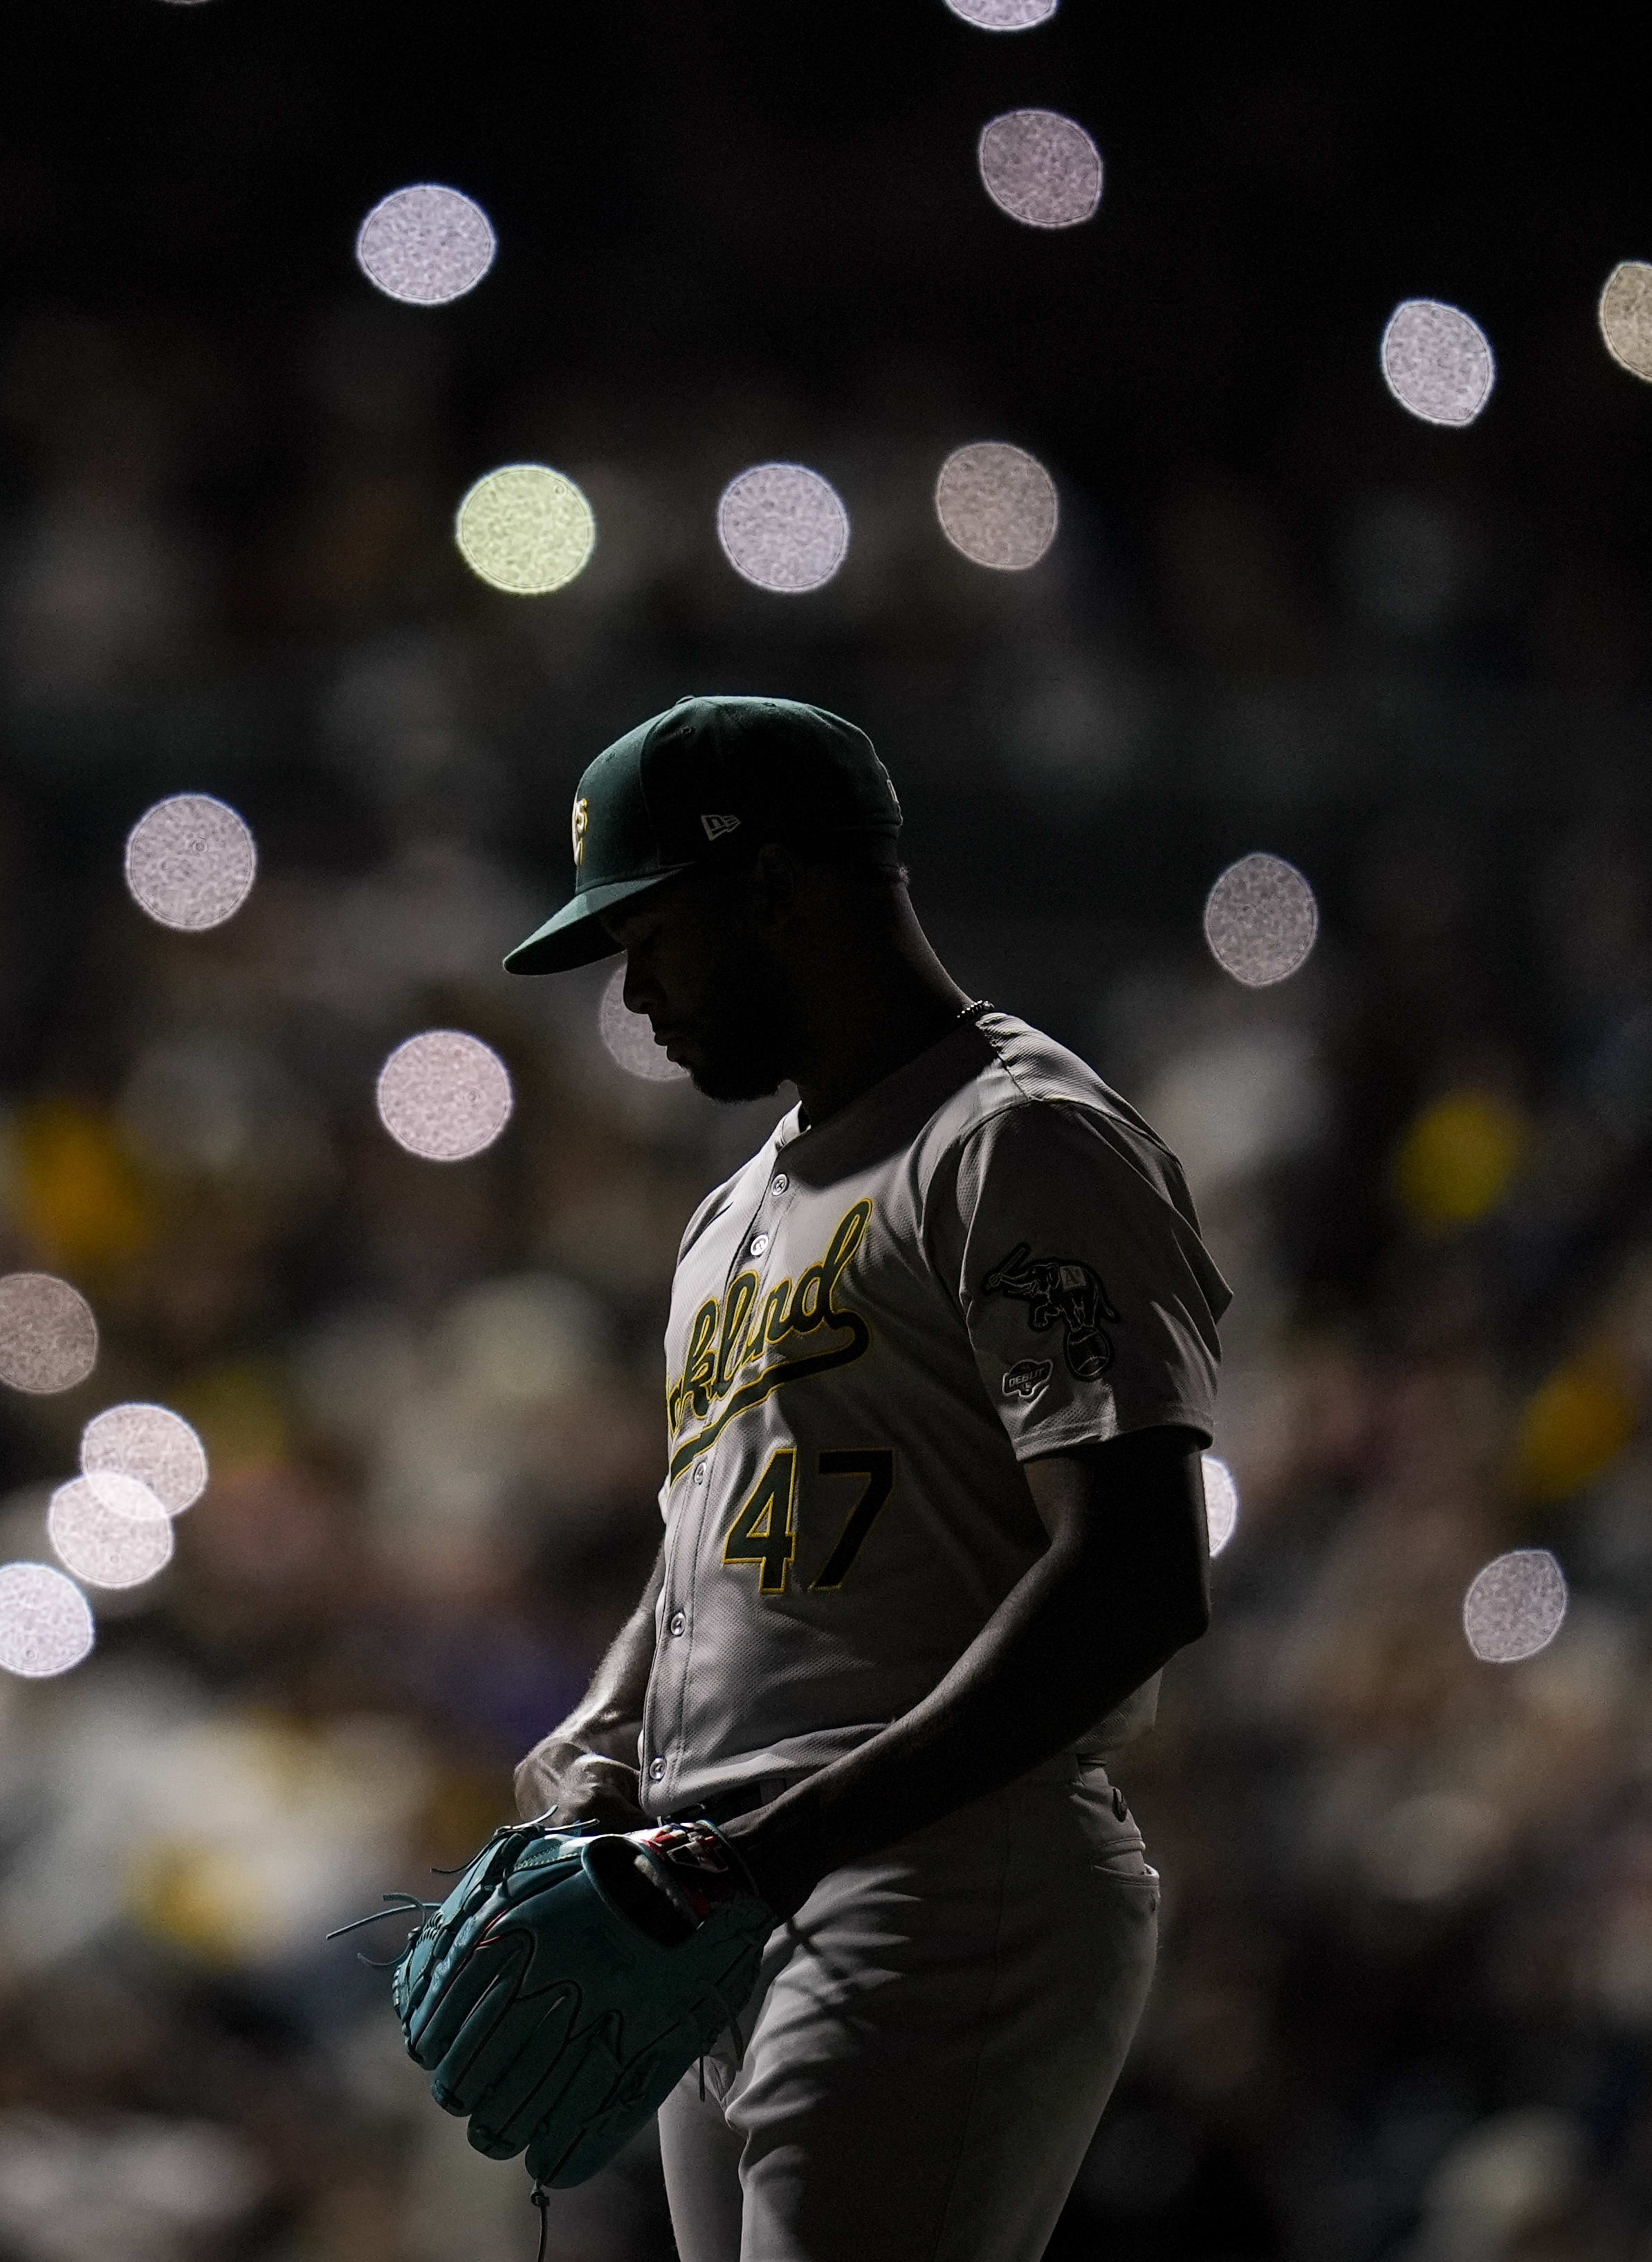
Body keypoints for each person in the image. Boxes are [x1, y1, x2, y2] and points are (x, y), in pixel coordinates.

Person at [498, 695, 1231, 2262]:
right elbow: (708, 1549)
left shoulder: (1017, 1142)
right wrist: (602, 1741)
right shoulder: (732, 1209)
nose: (633, 992)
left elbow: (1136, 1574)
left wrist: (776, 1847)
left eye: (649, 932)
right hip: (737, 1895)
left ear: (772, 885)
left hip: (937, 1876)